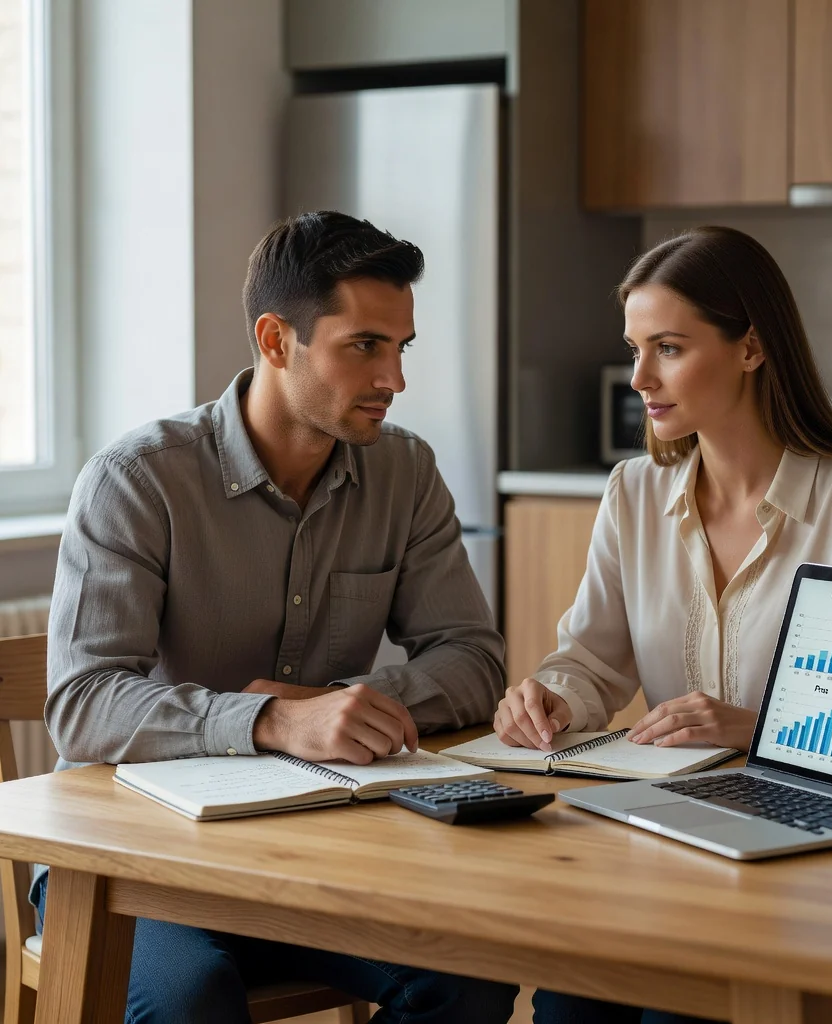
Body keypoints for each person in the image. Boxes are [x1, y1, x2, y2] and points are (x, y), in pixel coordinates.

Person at [38, 211, 518, 1024]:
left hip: (327, 847)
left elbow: (472, 658)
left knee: (472, 976)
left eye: (401, 348)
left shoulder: (405, 470)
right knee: (188, 1000)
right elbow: (82, 705)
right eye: (364, 345)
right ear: (274, 340)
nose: (394, 379)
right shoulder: (137, 479)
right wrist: (271, 721)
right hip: (138, 863)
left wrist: (349, 704)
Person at [495, 225, 832, 1024]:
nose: (639, 378)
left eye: (668, 347)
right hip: (666, 842)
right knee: (566, 1001)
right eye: (635, 348)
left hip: (818, 862)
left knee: (668, 1009)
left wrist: (757, 728)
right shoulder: (632, 494)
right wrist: (551, 697)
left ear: (752, 348)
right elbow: (591, 662)